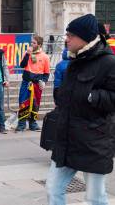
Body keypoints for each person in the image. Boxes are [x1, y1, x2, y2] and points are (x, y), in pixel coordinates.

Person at [46, 14, 115, 205]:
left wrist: (93, 96)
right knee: (53, 190)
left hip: (94, 143)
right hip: (67, 141)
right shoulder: (73, 62)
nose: (66, 39)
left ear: (84, 37)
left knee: (95, 198)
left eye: (70, 35)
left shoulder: (109, 63)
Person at [16, 35, 50, 131]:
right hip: (26, 82)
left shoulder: (45, 57)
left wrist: (44, 81)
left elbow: (47, 73)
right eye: (31, 42)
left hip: (37, 84)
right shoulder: (27, 53)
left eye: (34, 43)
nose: (31, 44)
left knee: (35, 104)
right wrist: (27, 54)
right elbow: (22, 65)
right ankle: (21, 124)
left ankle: (33, 123)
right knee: (23, 102)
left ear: (39, 44)